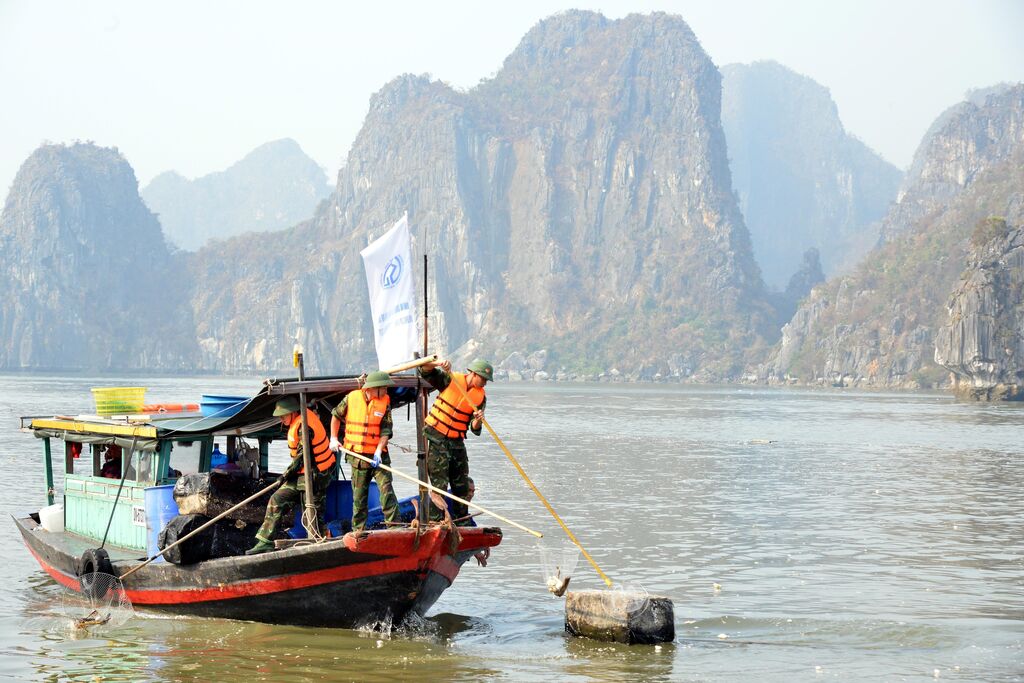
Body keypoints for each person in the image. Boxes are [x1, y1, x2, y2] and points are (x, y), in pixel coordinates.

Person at [247, 398, 336, 554]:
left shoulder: (304, 426)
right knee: (277, 499)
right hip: (301, 474)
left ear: (293, 412)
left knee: (312, 513)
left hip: (317, 475)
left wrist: (285, 475)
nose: (281, 419)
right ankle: (265, 541)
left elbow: (303, 456)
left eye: (283, 415)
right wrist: (288, 476)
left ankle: (321, 544)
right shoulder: (295, 423)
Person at [418, 357, 493, 524]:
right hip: (437, 437)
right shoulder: (449, 379)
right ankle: (436, 521)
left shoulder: (481, 398)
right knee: (439, 484)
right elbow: (424, 370)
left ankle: (462, 521)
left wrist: (479, 419)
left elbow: (475, 429)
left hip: (457, 441)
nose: (485, 383)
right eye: (483, 379)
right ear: (473, 374)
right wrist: (437, 363)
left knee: (461, 485)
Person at [329, 370, 401, 532]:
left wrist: (378, 451)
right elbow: (336, 416)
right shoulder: (351, 398)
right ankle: (358, 531)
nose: (385, 391)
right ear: (372, 388)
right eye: (383, 388)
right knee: (359, 497)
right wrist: (334, 438)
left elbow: (386, 430)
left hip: (378, 456)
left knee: (386, 489)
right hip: (358, 457)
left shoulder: (385, 402)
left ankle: (395, 527)